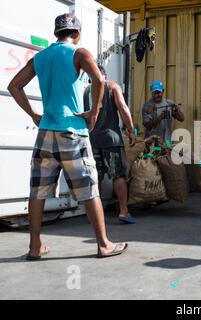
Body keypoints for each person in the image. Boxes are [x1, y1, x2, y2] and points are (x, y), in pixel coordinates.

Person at [7, 13, 127, 259]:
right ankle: (104, 244)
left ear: (56, 33)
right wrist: (94, 112)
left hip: (45, 133)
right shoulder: (79, 53)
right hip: (72, 131)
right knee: (89, 188)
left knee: (37, 192)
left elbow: (14, 86)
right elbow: (99, 80)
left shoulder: (40, 57)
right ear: (77, 33)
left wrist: (33, 114)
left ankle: (34, 247)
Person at [84, 65, 137, 224]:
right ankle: (123, 211)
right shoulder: (112, 86)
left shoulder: (86, 92)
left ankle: (95, 215)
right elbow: (122, 107)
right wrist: (131, 130)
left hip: (92, 140)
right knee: (118, 175)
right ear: (104, 75)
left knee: (95, 177)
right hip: (111, 140)